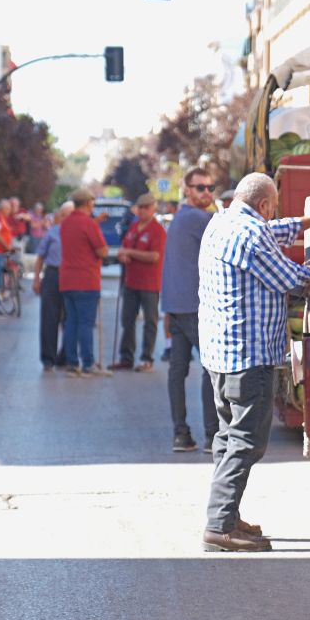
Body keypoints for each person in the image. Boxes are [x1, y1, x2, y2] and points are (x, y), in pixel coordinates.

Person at [198, 173, 310, 552]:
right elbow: (291, 279)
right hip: (247, 356)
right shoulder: (252, 236)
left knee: (228, 437)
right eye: (273, 210)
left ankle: (226, 514)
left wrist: (307, 223)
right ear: (265, 205)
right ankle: (219, 526)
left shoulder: (222, 220)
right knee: (245, 440)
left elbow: (271, 231)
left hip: (222, 355)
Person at [161, 168, 220, 453]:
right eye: (200, 188)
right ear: (186, 190)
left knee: (178, 371)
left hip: (177, 305)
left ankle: (180, 434)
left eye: (210, 187)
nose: (207, 192)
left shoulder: (179, 219)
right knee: (212, 369)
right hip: (196, 307)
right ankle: (212, 434)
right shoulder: (200, 218)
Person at [111, 193, 166, 373]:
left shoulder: (157, 230)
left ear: (153, 209)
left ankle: (146, 358)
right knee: (127, 320)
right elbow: (124, 248)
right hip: (131, 281)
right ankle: (126, 357)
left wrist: (130, 252)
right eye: (140, 207)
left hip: (149, 283)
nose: (142, 211)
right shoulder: (134, 227)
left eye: (146, 207)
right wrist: (123, 254)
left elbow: (154, 256)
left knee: (150, 321)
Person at [58, 189, 111, 377]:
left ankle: (72, 363)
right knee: (86, 324)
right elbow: (102, 251)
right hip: (86, 280)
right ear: (89, 203)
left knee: (71, 322)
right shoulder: (88, 224)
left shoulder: (65, 224)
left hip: (67, 280)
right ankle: (88, 363)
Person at [33, 201, 72, 371]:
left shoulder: (78, 233)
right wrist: (36, 279)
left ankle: (65, 356)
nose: (66, 218)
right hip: (53, 275)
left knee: (70, 318)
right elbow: (40, 256)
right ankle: (48, 358)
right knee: (49, 318)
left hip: (71, 276)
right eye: (63, 215)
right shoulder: (52, 233)